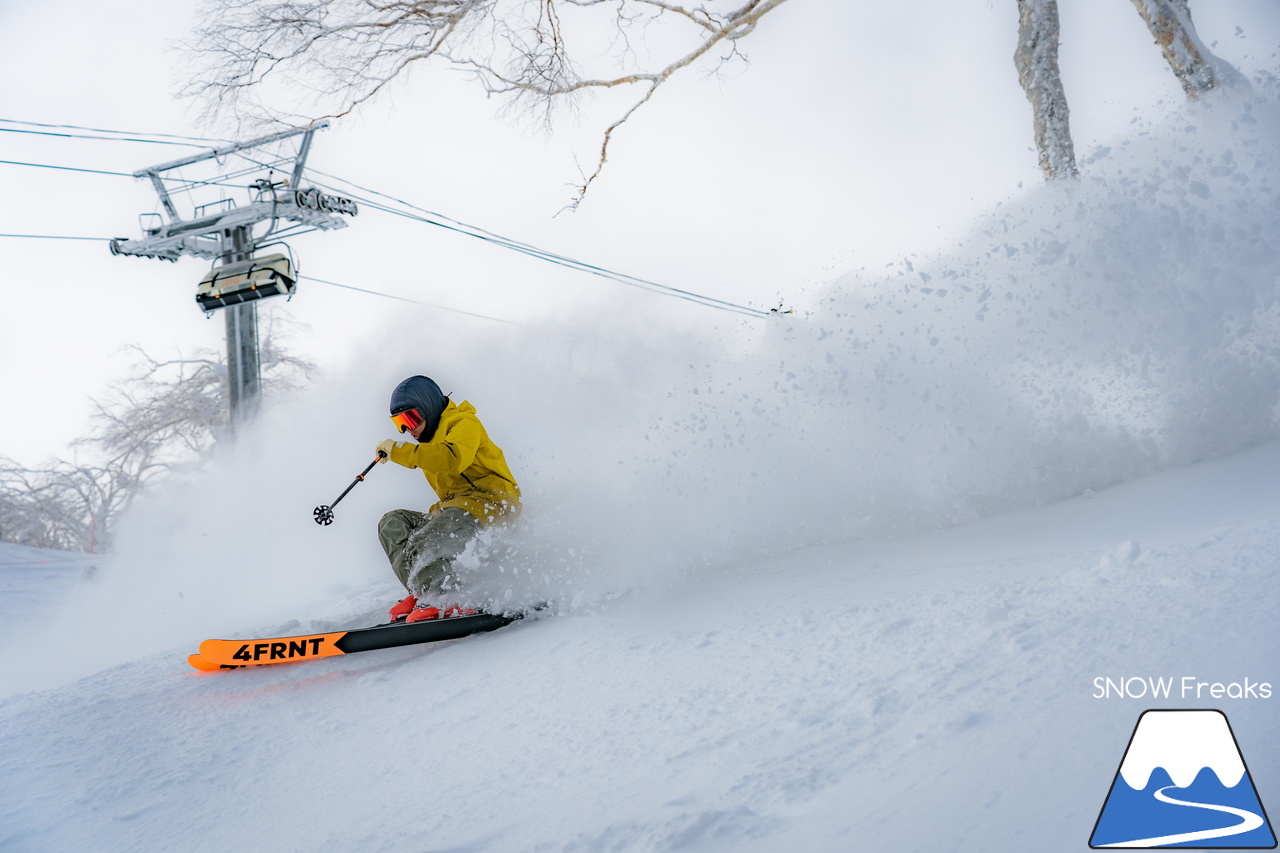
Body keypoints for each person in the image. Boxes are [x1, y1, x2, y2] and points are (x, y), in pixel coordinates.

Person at [375, 375, 521, 623]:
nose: (407, 429)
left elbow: (452, 458)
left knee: (427, 538)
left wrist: (400, 451)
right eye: (399, 423)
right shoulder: (428, 441)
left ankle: (448, 595)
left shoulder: (463, 423)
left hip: (490, 504)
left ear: (429, 407)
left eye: (410, 418)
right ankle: (424, 590)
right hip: (455, 509)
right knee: (393, 523)